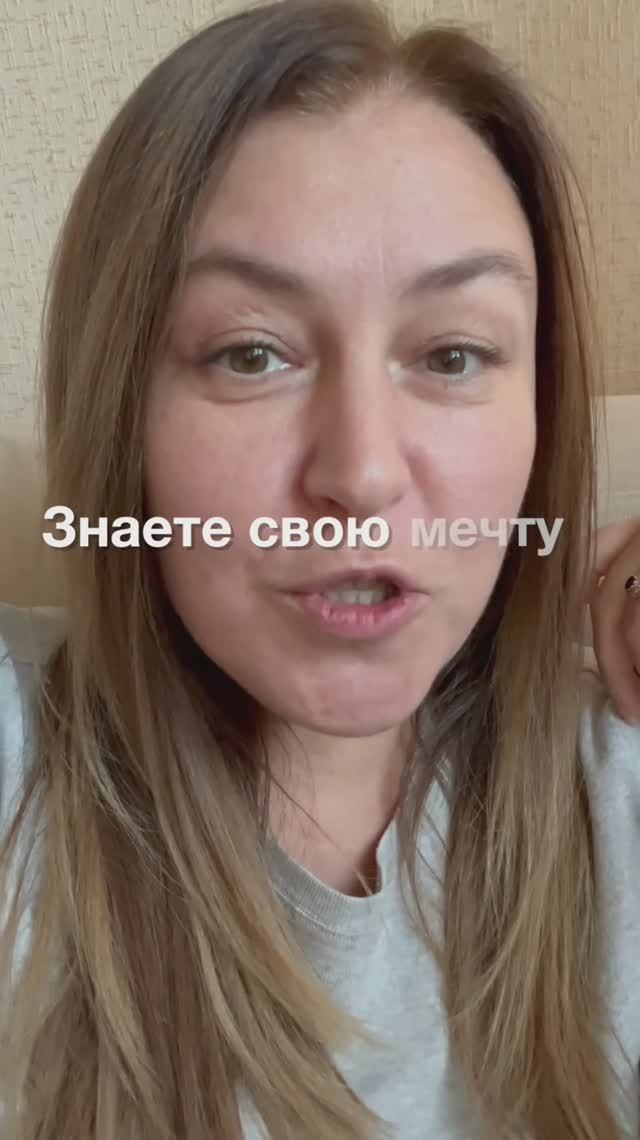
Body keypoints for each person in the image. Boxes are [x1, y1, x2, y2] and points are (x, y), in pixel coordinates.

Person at [1, 1, 639, 1137]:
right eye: (250, 353)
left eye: (453, 354)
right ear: (119, 414)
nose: (363, 473)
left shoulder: (615, 786)